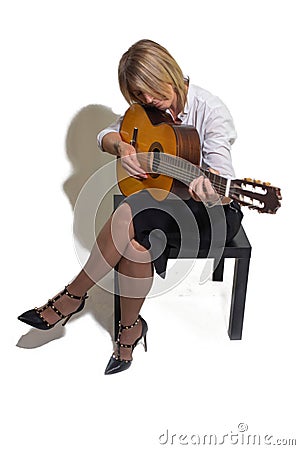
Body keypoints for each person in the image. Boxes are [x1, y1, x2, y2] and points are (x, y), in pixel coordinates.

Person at [18, 39, 243, 375]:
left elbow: (223, 178)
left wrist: (210, 189)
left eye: (151, 90)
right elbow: (108, 133)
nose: (149, 101)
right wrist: (122, 147)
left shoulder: (211, 111)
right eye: (139, 96)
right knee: (136, 237)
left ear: (168, 71)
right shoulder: (148, 109)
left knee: (130, 213)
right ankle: (129, 332)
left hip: (210, 210)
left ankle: (71, 298)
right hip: (164, 202)